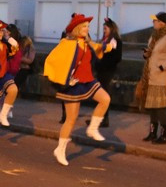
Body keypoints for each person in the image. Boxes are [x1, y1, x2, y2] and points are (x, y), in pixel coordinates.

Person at [44, 14, 114, 165]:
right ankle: (60, 149)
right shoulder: (67, 43)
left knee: (105, 99)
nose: (87, 29)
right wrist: (64, 78)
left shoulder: (86, 43)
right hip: (74, 84)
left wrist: (109, 46)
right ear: (77, 28)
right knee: (71, 119)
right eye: (84, 26)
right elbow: (51, 60)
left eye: (88, 26)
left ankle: (92, 128)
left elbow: (98, 48)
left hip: (88, 80)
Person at [135, 12, 166, 145]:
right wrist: (146, 54)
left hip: (162, 77)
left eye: (155, 21)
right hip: (151, 76)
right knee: (151, 106)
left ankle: (164, 135)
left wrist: (162, 67)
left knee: (160, 107)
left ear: (162, 22)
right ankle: (152, 132)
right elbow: (153, 52)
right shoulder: (155, 35)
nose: (153, 23)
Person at [92, 18, 121, 126]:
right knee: (100, 94)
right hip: (101, 70)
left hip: (107, 71)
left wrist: (104, 63)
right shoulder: (104, 40)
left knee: (104, 95)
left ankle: (104, 119)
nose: (104, 30)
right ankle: (99, 118)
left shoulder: (115, 41)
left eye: (105, 28)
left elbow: (116, 57)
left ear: (111, 29)